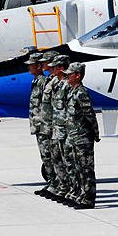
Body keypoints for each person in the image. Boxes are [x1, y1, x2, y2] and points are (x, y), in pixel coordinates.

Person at [63, 62, 100, 209]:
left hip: (83, 137)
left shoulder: (81, 93)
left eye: (69, 75)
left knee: (86, 169)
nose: (66, 77)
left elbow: (89, 115)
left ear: (77, 75)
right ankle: (81, 195)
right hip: (74, 136)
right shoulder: (72, 91)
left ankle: (88, 199)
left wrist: (95, 134)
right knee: (77, 168)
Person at [41, 54, 71, 203]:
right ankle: (61, 187)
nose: (49, 67)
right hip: (53, 126)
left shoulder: (66, 85)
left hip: (64, 128)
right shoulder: (54, 82)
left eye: (53, 66)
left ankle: (71, 190)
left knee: (69, 161)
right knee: (56, 158)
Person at [25, 52, 50, 196]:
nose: (29, 68)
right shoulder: (36, 81)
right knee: (45, 156)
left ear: (39, 66)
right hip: (39, 125)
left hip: (44, 125)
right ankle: (52, 184)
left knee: (48, 155)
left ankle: (54, 184)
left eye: (31, 65)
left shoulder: (43, 82)